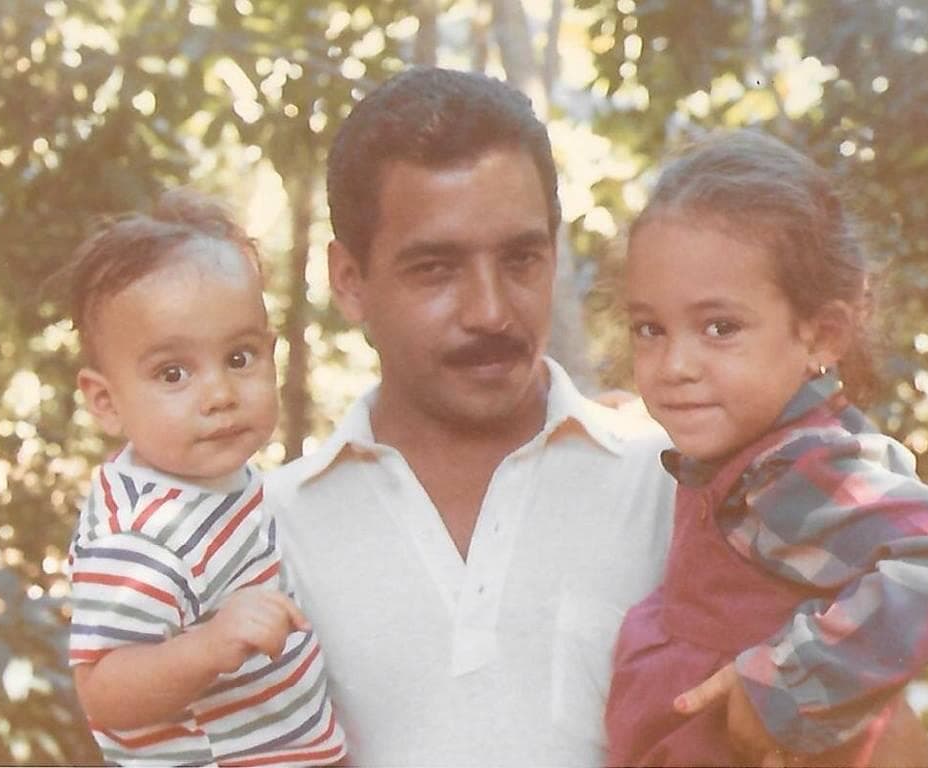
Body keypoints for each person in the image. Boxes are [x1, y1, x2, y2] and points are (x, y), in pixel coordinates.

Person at [264, 67, 675, 766]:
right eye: (436, 268)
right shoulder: (266, 533)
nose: (490, 310)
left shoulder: (672, 488)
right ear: (350, 281)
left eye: (521, 258)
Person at [604, 130, 928, 767]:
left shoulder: (792, 469)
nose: (675, 364)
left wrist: (788, 685)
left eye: (721, 328)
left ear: (822, 335)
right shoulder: (741, 458)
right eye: (650, 329)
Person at [63, 190, 347, 766]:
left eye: (240, 358)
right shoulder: (138, 537)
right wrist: (209, 647)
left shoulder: (217, 474)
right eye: (173, 372)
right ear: (106, 402)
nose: (219, 395)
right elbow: (103, 692)